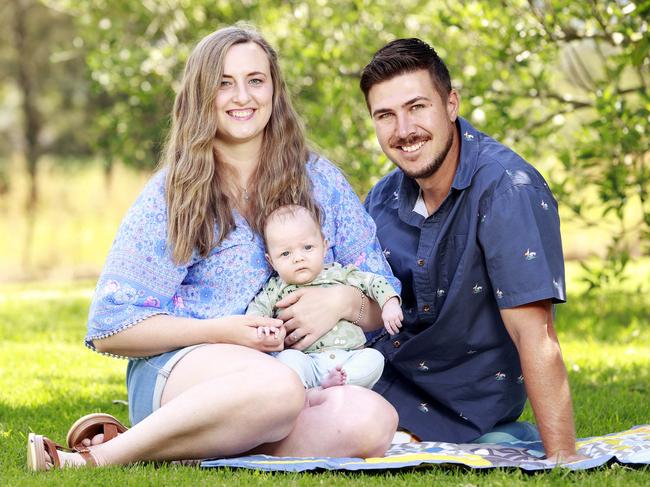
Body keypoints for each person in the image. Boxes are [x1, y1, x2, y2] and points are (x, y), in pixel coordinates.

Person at [26, 25, 400, 471]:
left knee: (374, 421)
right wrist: (222, 331)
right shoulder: (174, 193)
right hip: (185, 372)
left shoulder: (321, 182)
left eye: (255, 80)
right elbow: (112, 328)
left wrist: (341, 301)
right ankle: (98, 457)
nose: (242, 96)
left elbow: (380, 300)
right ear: (202, 95)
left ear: (275, 91)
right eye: (224, 83)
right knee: (278, 386)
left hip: (297, 380)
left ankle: (177, 444)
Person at [360, 38, 585, 462]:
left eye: (417, 107)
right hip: (372, 377)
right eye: (385, 115)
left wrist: (563, 458)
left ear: (451, 105)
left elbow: (534, 333)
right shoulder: (382, 198)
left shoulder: (507, 189)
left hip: (461, 406)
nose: (403, 130)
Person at [247, 204, 402, 389]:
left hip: (349, 356)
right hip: (307, 361)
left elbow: (373, 282)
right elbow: (257, 310)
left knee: (374, 359)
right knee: (287, 360)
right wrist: (263, 326)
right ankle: (306, 391)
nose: (298, 258)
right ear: (271, 261)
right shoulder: (276, 288)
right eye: (285, 253)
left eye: (307, 247)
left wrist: (390, 304)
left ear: (324, 246)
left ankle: (342, 381)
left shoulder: (340, 273)